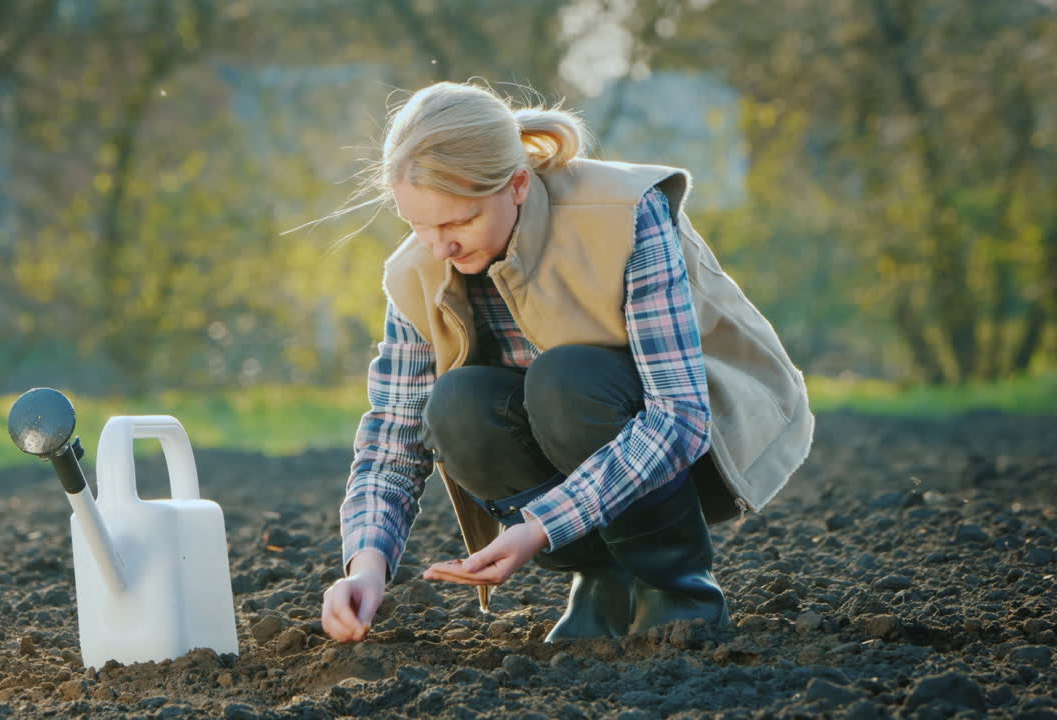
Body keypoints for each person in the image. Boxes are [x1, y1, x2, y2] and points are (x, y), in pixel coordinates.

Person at [319, 81, 813, 644]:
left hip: (702, 447)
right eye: (418, 225)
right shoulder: (417, 271)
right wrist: (365, 565)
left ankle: (678, 587)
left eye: (458, 222)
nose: (439, 248)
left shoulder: (623, 214)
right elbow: (392, 440)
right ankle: (604, 579)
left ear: (518, 185)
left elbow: (678, 413)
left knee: (564, 380)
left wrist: (539, 527)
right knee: (455, 404)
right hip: (580, 467)